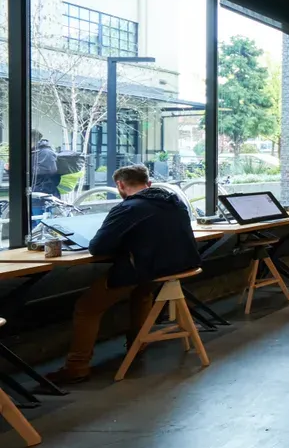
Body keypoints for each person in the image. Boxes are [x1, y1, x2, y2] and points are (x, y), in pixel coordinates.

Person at [47, 164, 201, 384]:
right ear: (148, 183)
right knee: (142, 293)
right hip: (176, 267)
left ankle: (77, 366)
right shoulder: (174, 203)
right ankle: (139, 345)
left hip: (145, 269)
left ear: (119, 185)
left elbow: (98, 248)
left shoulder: (129, 208)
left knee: (87, 307)